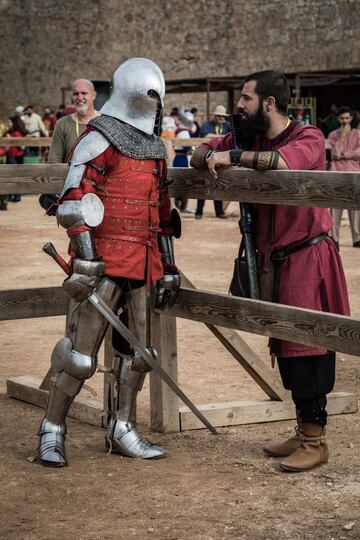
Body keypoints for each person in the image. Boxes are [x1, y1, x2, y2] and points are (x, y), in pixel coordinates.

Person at [191, 70, 350, 472]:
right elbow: (200, 151)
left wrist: (232, 157)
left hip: (307, 255)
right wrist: (211, 154)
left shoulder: (308, 137)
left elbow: (280, 163)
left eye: (245, 99)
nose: (238, 106)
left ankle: (316, 441)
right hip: (273, 259)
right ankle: (302, 431)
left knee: (307, 344)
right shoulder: (249, 136)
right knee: (284, 341)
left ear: (269, 103)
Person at [37, 58, 180, 467]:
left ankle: (122, 428)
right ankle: (52, 430)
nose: (156, 105)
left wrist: (167, 267)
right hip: (102, 260)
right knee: (80, 358)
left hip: (144, 261)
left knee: (139, 355)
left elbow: (162, 214)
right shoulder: (99, 136)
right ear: (135, 93)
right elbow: (73, 203)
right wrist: (86, 260)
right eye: (152, 96)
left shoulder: (155, 148)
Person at [329, 106, 360, 248]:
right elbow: (334, 154)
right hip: (337, 173)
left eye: (347, 118)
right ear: (337, 119)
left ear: (351, 118)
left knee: (355, 208)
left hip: (354, 173)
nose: (344, 121)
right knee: (335, 208)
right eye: (342, 118)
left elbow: (358, 153)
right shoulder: (333, 135)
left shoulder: (358, 134)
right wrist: (342, 137)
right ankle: (334, 239)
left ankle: (357, 238)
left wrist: (344, 155)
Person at [48, 79, 99, 163]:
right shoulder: (62, 124)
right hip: (68, 175)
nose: (79, 97)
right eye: (75, 94)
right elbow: (54, 161)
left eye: (84, 93)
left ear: (93, 95)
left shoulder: (106, 123)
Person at [196, 105, 231, 219]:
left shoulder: (228, 126)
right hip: (206, 158)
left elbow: (231, 137)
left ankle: (219, 212)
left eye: (222, 116)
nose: (221, 118)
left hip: (221, 160)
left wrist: (217, 137)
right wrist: (222, 137)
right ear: (215, 116)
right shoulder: (207, 125)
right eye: (218, 115)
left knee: (218, 184)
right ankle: (199, 212)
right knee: (203, 185)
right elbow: (206, 135)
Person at [173, 108, 195, 213]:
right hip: (182, 158)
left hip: (178, 158)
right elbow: (187, 148)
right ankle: (183, 207)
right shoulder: (184, 132)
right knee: (184, 182)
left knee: (179, 182)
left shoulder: (179, 130)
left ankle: (181, 205)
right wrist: (192, 150)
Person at [5, 117, 25, 202]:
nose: (7, 124)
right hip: (9, 157)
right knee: (9, 177)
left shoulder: (16, 133)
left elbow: (22, 146)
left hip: (17, 157)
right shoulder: (8, 133)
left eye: (9, 122)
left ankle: (17, 196)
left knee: (16, 177)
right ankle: (10, 196)